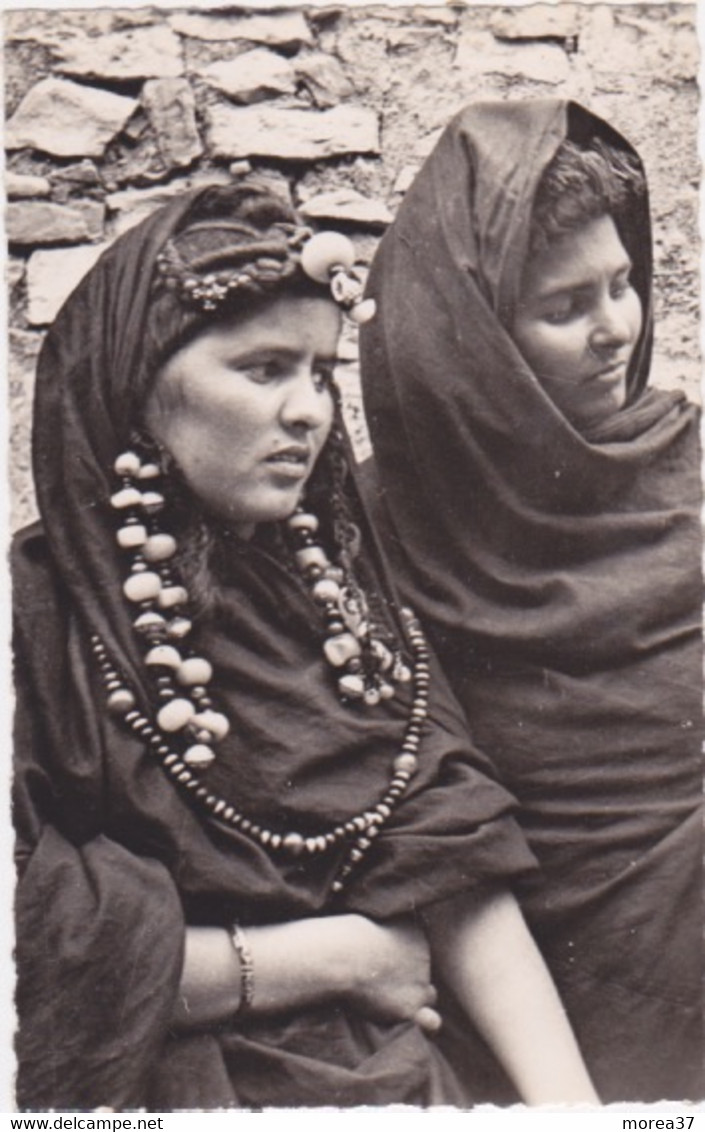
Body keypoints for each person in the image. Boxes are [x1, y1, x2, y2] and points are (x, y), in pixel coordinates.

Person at [13, 182, 599, 1111]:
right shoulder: (35, 621)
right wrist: (326, 959)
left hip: (392, 1079)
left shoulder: (344, 610)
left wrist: (578, 1116)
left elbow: (455, 866)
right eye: (263, 369)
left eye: (321, 372)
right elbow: (36, 955)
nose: (308, 412)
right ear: (140, 382)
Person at [359, 99, 703, 1103]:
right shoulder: (382, 528)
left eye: (624, 284)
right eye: (565, 308)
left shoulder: (683, 462)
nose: (616, 331)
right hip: (535, 1018)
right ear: (478, 347)